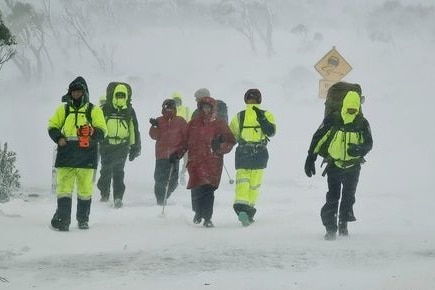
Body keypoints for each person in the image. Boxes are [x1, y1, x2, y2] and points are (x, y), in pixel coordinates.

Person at [304, 90, 373, 240]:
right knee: (333, 197)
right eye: (349, 108)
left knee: (348, 197)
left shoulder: (362, 123)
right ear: (345, 105)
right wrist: (311, 157)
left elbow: (369, 144)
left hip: (353, 167)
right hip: (333, 165)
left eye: (354, 109)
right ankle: (330, 228)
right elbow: (318, 138)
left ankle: (343, 224)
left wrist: (358, 150)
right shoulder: (333, 119)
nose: (351, 111)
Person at [48, 76, 107, 231]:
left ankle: (83, 220)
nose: (76, 94)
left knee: (85, 190)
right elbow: (52, 125)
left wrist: (92, 131)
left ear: (84, 92)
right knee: (64, 189)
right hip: (66, 154)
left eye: (79, 91)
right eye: (73, 91)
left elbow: (103, 131)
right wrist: (59, 138)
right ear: (70, 93)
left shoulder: (94, 110)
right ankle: (63, 220)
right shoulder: (63, 109)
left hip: (87, 154)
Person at [184, 96, 236, 228]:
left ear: (213, 108)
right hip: (195, 162)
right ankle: (197, 212)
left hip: (213, 162)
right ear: (200, 108)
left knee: (208, 191)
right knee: (196, 189)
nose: (206, 110)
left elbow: (230, 140)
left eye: (208, 107)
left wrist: (220, 146)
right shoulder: (193, 124)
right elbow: (184, 140)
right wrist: (177, 153)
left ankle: (207, 217)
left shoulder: (220, 124)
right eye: (203, 107)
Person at [229, 88, 276, 226]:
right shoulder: (265, 115)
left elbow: (231, 135)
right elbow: (271, 132)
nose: (251, 102)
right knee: (250, 184)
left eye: (252, 99)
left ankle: (245, 211)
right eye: (251, 99)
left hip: (247, 153)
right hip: (257, 154)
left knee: (248, 184)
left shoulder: (241, 116)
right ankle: (245, 211)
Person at [97, 82, 141, 208]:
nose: (121, 97)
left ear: (126, 96)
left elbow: (133, 129)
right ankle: (104, 192)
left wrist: (134, 147)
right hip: (106, 145)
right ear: (114, 95)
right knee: (105, 171)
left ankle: (118, 197)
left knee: (118, 172)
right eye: (118, 95)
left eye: (123, 95)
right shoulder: (105, 109)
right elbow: (98, 126)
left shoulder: (129, 111)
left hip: (122, 146)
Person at [149, 99, 187, 205]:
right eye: (167, 107)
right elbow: (154, 136)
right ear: (163, 108)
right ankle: (160, 201)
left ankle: (166, 194)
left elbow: (186, 138)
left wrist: (180, 152)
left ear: (175, 108)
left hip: (175, 156)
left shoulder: (180, 121)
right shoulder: (159, 120)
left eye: (171, 107)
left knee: (173, 182)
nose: (169, 109)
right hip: (161, 155)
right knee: (159, 180)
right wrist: (154, 126)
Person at [172, 91, 191, 185]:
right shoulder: (170, 111)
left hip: (185, 139)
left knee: (187, 159)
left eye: (178, 100)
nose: (176, 102)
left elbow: (192, 123)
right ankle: (173, 177)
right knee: (174, 160)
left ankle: (182, 173)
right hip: (174, 140)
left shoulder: (187, 110)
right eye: (175, 100)